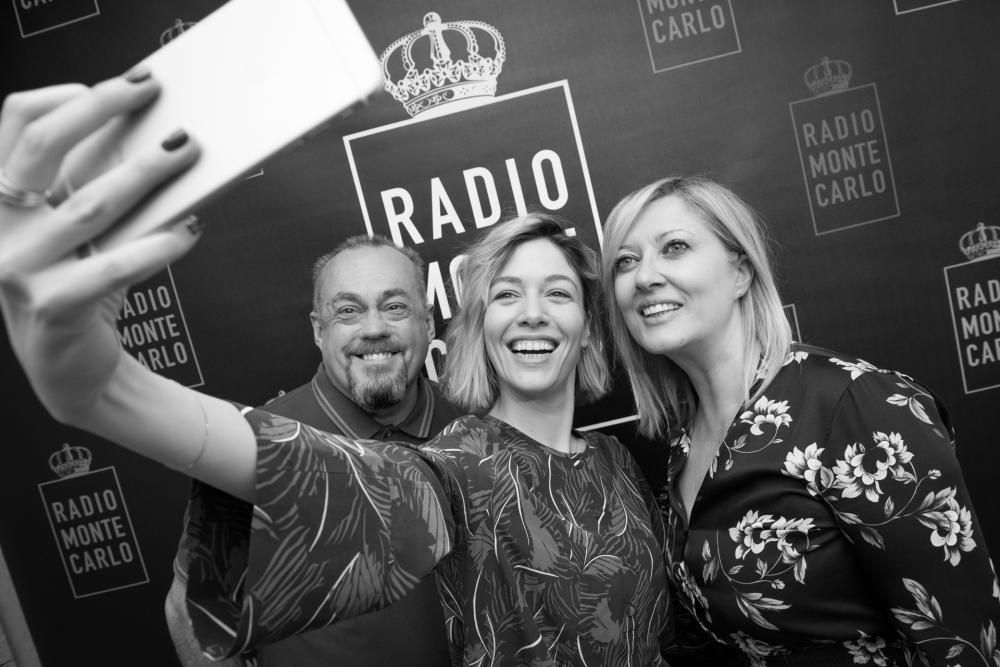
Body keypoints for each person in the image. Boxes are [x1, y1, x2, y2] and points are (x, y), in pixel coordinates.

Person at [0, 74, 670, 665]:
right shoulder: (459, 466)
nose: (532, 314)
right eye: (506, 294)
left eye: (558, 293)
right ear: (478, 325)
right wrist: (104, 388)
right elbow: (236, 539)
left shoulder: (613, 461)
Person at [600, 175, 1000, 665]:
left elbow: (965, 642)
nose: (644, 277)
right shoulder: (684, 441)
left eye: (675, 247)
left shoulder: (853, 405)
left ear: (741, 272)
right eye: (625, 261)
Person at [164, 234, 463, 666]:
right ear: (319, 331)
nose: (374, 329)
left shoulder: (475, 428)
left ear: (429, 323)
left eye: (395, 307)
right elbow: (191, 611)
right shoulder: (254, 447)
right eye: (348, 311)